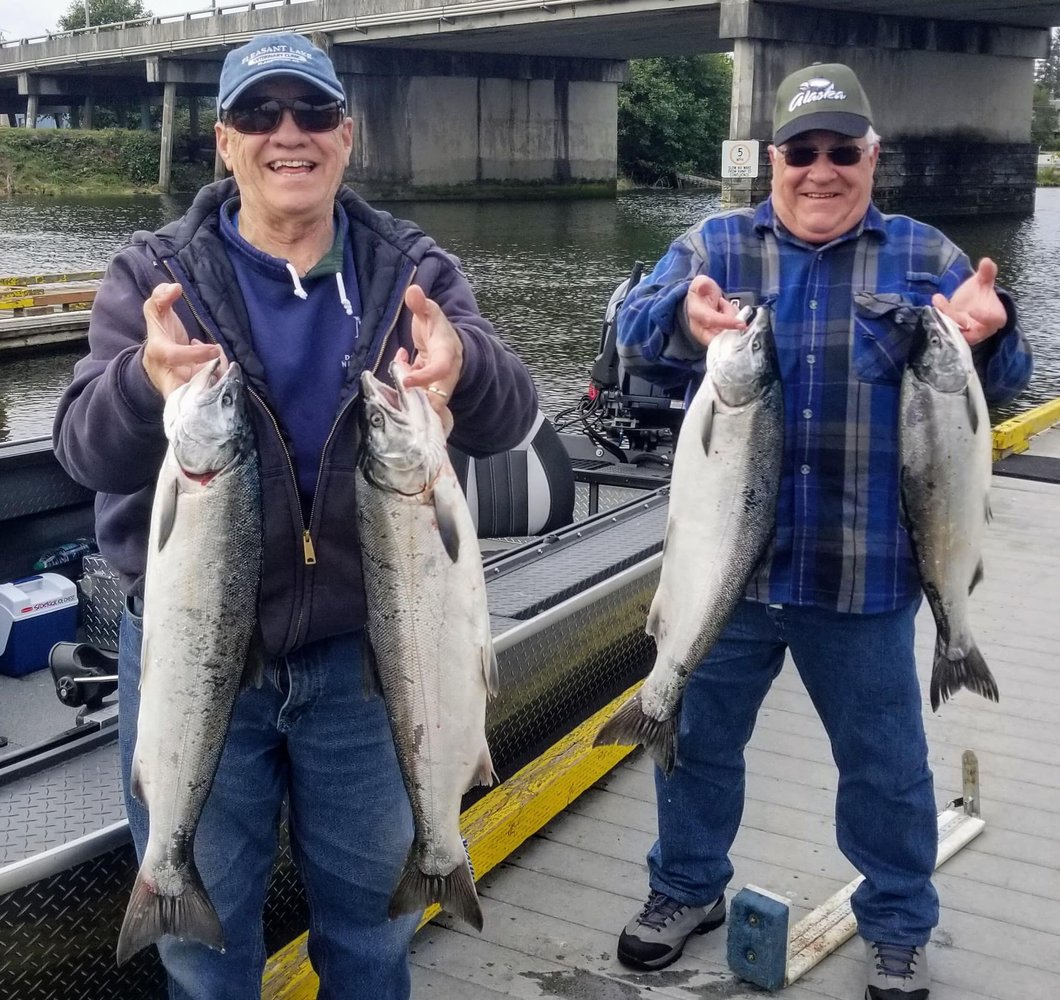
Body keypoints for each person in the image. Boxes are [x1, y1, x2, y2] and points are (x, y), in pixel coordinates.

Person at [52, 31, 537, 1000]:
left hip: (369, 663)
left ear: (346, 136)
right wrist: (145, 384)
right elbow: (80, 448)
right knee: (203, 952)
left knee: (370, 938)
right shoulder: (157, 276)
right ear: (224, 142)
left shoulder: (411, 270)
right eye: (260, 116)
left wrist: (467, 366)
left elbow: (511, 412)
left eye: (312, 112)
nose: (289, 134)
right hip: (197, 664)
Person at [612, 62, 1032, 999]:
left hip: (866, 576)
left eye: (843, 151)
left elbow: (1002, 385)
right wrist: (682, 320)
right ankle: (684, 889)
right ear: (774, 160)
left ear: (872, 159)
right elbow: (633, 335)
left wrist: (991, 336)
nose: (821, 169)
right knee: (695, 740)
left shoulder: (926, 257)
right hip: (727, 575)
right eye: (802, 152)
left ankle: (897, 924)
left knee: (884, 767)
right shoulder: (716, 242)